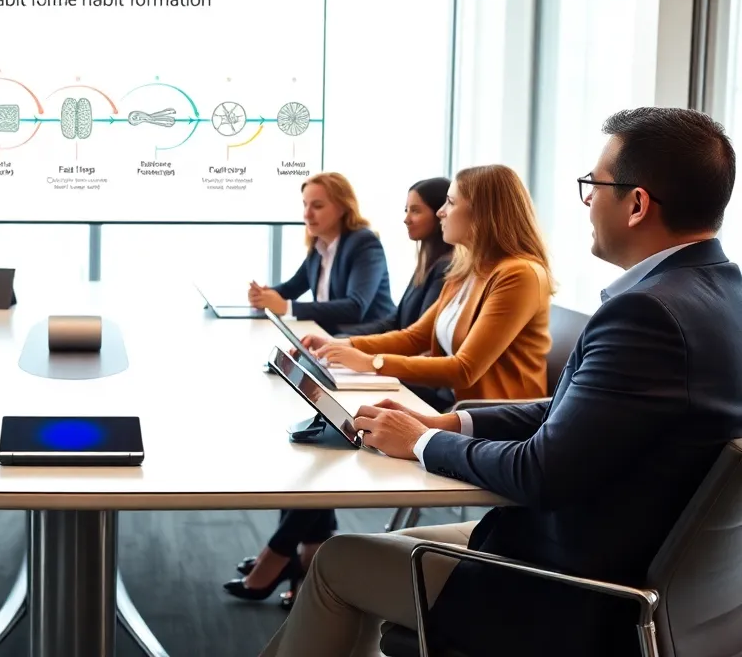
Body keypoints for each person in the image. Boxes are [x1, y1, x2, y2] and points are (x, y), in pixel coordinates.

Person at [261, 107, 742, 657]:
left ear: (636, 204)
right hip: (642, 567)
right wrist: (449, 422)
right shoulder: (721, 294)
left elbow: (541, 472)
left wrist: (420, 442)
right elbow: (573, 408)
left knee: (339, 561)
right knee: (353, 551)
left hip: (572, 585)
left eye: (594, 186)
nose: (587, 202)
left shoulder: (647, 313)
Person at [224, 177, 454, 608]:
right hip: (385, 362)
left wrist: (354, 351)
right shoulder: (426, 262)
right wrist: (273, 299)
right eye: (305, 205)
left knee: (327, 441)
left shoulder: (377, 247)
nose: (307, 215)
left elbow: (372, 315)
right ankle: (308, 556)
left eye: (418, 210)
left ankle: (277, 557)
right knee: (318, 434)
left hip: (424, 390)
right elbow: (404, 328)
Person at [304, 164, 553, 406]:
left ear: (483, 213)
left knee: (361, 406)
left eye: (451, 203)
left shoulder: (520, 274)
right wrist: (341, 345)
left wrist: (371, 362)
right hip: (454, 402)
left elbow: (464, 369)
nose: (441, 212)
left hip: (492, 415)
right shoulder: (466, 269)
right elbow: (415, 337)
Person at [247, 172, 395, 333]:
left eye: (317, 206)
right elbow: (292, 288)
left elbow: (355, 308)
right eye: (305, 205)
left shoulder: (364, 243)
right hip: (331, 338)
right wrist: (263, 296)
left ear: (342, 208)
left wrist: (285, 307)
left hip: (370, 341)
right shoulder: (319, 246)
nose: (307, 214)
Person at [337, 177, 454, 338]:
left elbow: (419, 337)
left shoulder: (445, 267)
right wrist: (341, 338)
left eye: (415, 211)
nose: (406, 219)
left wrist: (348, 343)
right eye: (406, 210)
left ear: (440, 213)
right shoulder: (427, 264)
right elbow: (395, 322)